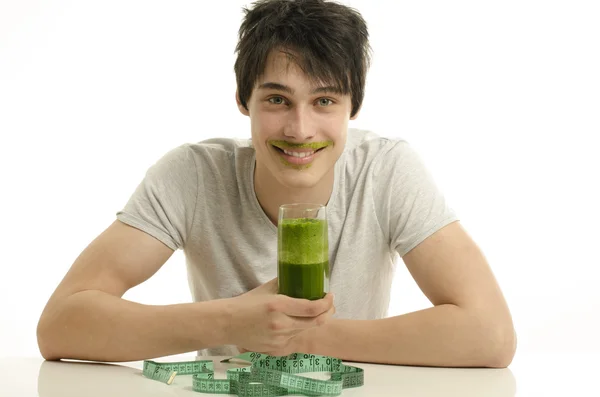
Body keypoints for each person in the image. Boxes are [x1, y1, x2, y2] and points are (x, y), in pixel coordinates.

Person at [36, 0, 516, 368]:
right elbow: (60, 326)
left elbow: (491, 335)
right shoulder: (192, 176)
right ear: (243, 100)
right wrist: (229, 320)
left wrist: (301, 336)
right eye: (278, 100)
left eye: (325, 100)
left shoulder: (386, 170)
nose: (300, 129)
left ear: (354, 106)